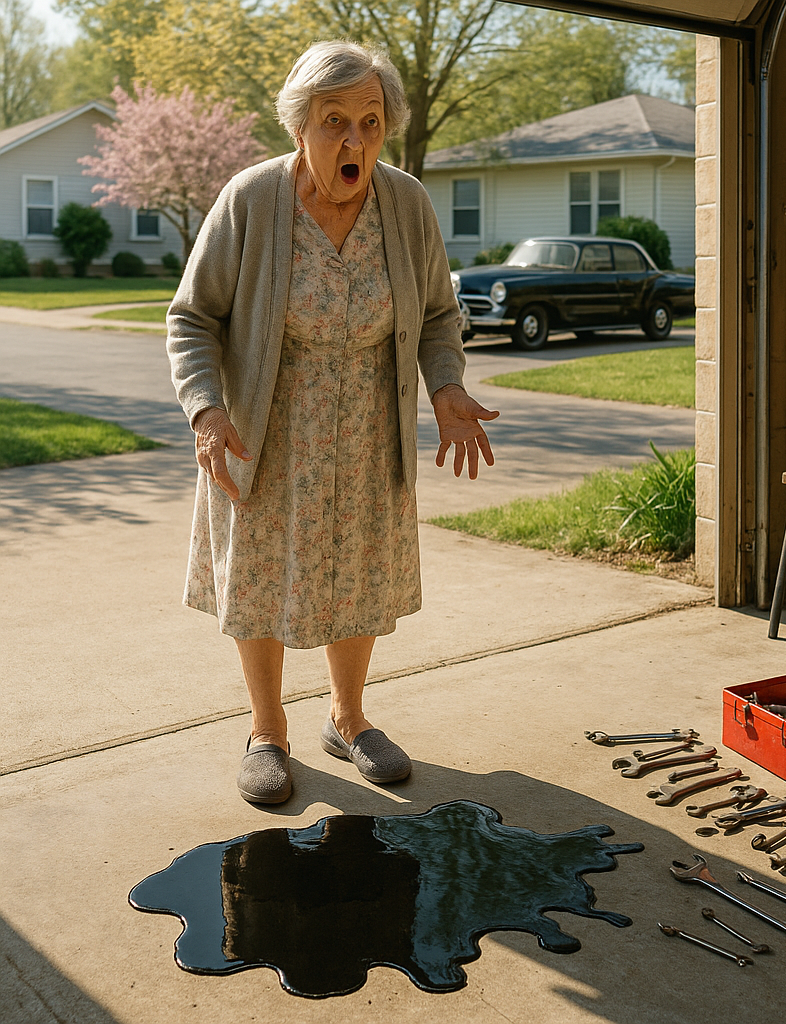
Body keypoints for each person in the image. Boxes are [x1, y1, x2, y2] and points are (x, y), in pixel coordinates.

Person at [166, 40, 498, 805]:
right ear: (299, 126)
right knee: (262, 576)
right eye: (334, 121)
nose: (355, 141)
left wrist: (446, 388)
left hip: (370, 432)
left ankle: (348, 720)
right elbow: (192, 318)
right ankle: (267, 729)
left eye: (370, 122)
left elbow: (441, 315)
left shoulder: (406, 204)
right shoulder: (251, 201)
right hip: (266, 433)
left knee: (361, 574)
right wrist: (207, 411)